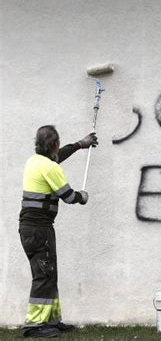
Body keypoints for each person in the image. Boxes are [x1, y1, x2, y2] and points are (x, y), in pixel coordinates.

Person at [19, 125, 98, 338]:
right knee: (44, 276)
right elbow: (69, 196)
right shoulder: (50, 168)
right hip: (39, 230)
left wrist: (80, 145)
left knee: (49, 273)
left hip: (31, 229)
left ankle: (52, 321)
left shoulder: (34, 161)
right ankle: (34, 326)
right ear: (54, 144)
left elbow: (55, 158)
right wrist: (83, 197)